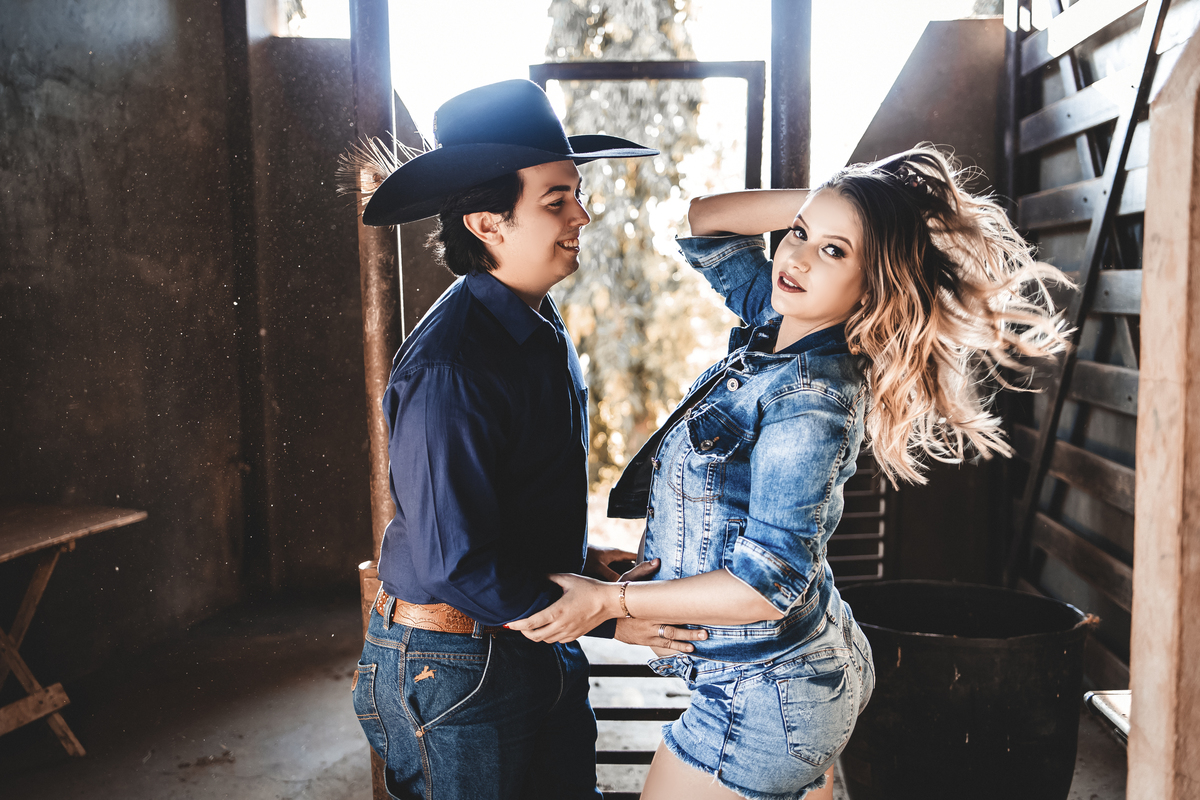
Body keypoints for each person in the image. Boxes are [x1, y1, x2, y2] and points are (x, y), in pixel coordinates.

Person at [508, 146, 1071, 800]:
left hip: (763, 701)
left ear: (874, 285)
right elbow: (706, 220)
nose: (796, 258)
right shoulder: (780, 323)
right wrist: (847, 202)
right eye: (799, 233)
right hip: (794, 669)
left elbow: (764, 585)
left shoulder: (811, 401)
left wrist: (609, 603)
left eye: (835, 251)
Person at [350, 79, 706, 800]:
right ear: (488, 223)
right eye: (556, 201)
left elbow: (506, 501)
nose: (583, 215)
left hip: (523, 637)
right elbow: (454, 561)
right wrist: (608, 615)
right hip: (457, 665)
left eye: (577, 194)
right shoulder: (454, 366)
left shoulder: (534, 320)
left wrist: (588, 568)